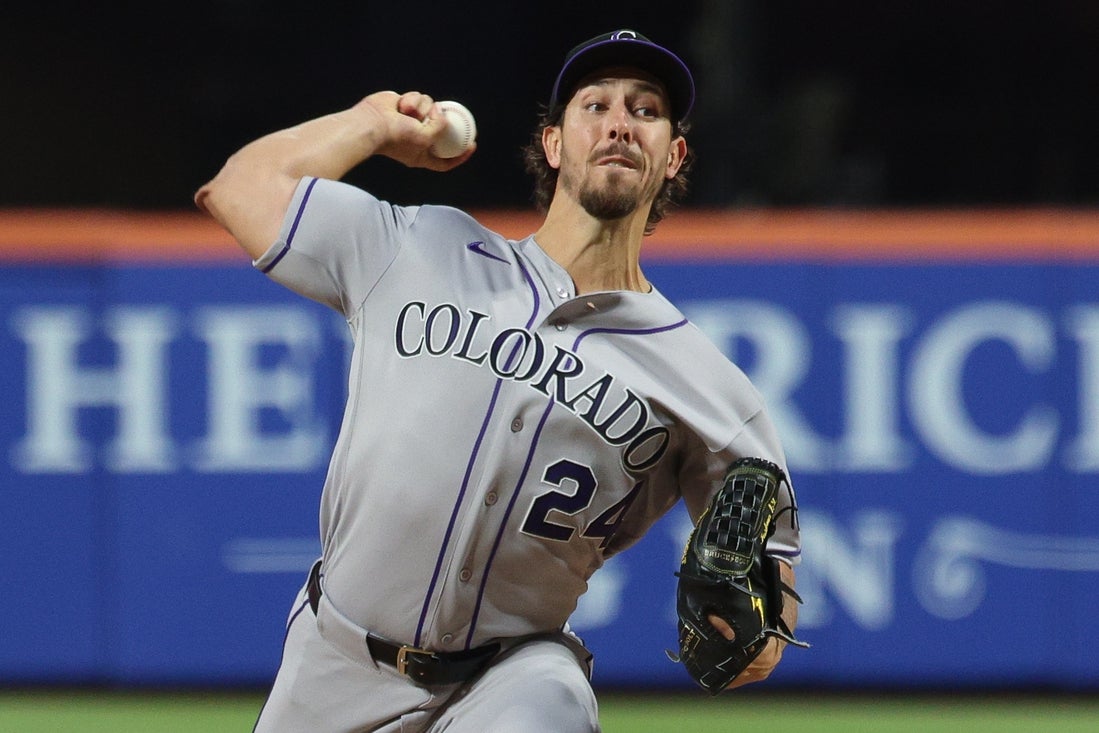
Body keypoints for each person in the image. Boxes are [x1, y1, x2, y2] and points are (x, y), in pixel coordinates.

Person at [195, 28, 801, 733]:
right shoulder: (420, 247)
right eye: (595, 105)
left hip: (514, 676)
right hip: (334, 659)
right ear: (553, 143)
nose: (618, 123)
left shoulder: (707, 387)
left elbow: (772, 580)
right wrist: (370, 125)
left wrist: (758, 630)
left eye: (645, 110)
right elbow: (237, 189)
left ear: (673, 156)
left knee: (550, 704)